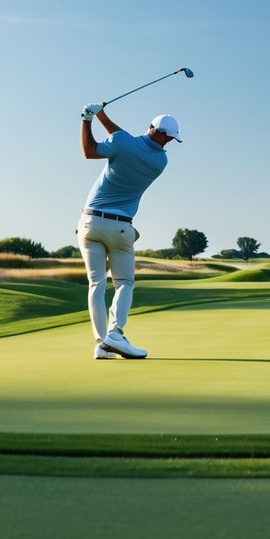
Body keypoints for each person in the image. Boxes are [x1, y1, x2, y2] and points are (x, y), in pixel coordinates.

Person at [77, 101, 181, 359]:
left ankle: (102, 344)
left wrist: (88, 118)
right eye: (167, 136)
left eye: (170, 139)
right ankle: (115, 335)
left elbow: (91, 151)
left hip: (89, 223)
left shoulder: (132, 146)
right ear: (156, 132)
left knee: (96, 284)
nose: (167, 142)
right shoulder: (159, 161)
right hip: (120, 227)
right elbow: (125, 141)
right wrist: (101, 116)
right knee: (124, 283)